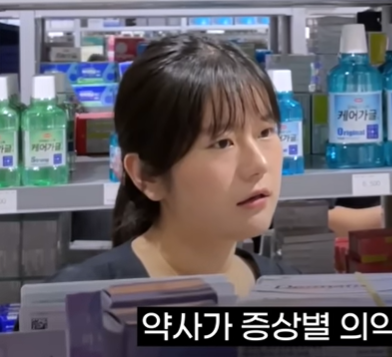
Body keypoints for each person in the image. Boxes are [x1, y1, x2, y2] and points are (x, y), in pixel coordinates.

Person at [49, 34, 298, 295]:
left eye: (265, 132)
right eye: (222, 143)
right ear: (146, 175)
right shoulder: (77, 301)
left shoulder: (292, 291)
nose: (259, 164)